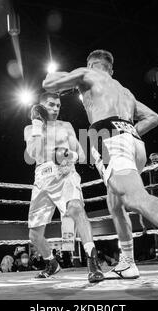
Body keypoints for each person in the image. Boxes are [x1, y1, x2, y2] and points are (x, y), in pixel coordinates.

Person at [43, 49, 158, 292]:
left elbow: (48, 84)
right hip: (133, 139)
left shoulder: (86, 73)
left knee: (134, 197)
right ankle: (128, 262)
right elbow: (153, 117)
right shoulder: (124, 91)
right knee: (115, 202)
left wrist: (64, 78)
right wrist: (129, 133)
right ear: (111, 69)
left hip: (108, 136)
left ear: (92, 64)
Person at [24, 92, 103, 283]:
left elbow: (82, 155)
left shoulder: (66, 126)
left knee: (76, 208)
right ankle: (51, 263)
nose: (55, 108)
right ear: (41, 106)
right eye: (51, 105)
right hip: (42, 177)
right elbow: (33, 154)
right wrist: (36, 124)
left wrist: (67, 156)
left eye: (58, 105)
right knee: (34, 235)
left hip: (65, 173)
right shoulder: (29, 128)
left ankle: (93, 261)